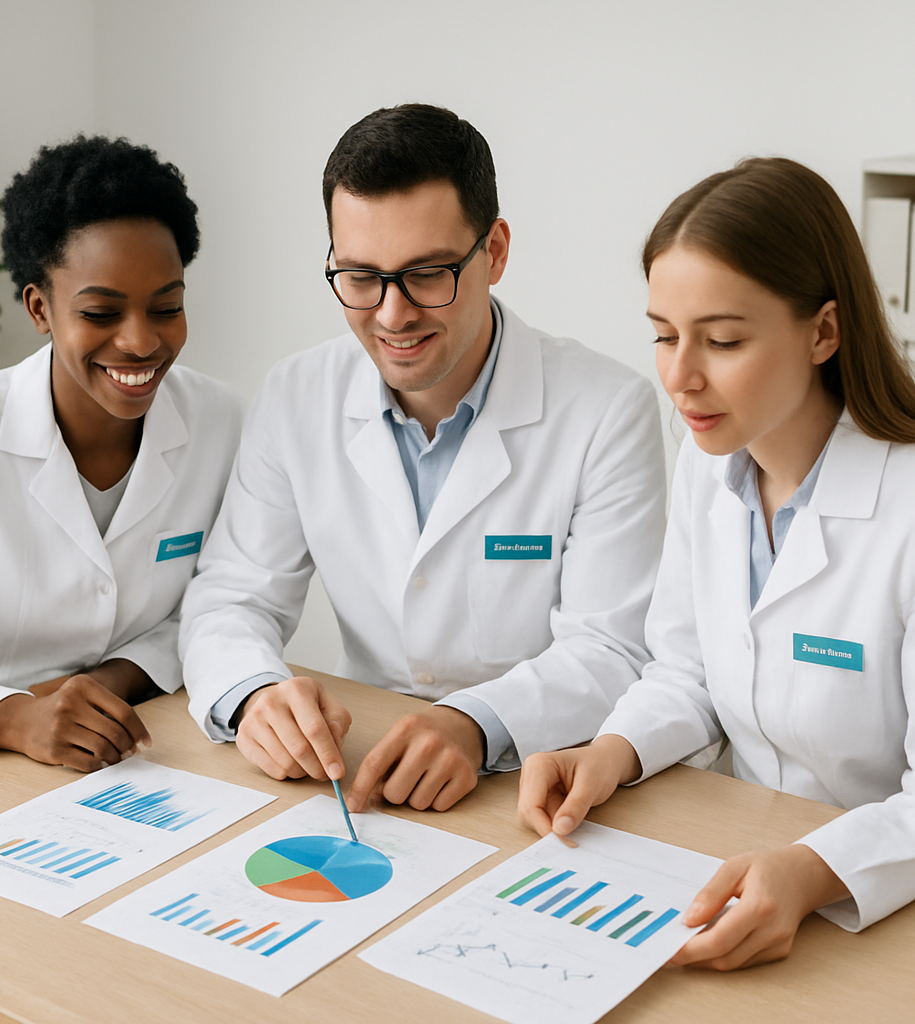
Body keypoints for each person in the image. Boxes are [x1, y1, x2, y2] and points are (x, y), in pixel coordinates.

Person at [180, 103, 666, 812]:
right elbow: (233, 595)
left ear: (494, 252)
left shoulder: (606, 409)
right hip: (361, 759)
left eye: (427, 274)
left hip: (527, 772)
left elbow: (612, 649)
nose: (391, 315)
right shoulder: (297, 394)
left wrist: (474, 723)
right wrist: (254, 695)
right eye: (360, 277)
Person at [518, 156, 915, 968]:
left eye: (723, 340)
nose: (678, 376)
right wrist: (611, 750)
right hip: (743, 854)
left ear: (823, 332)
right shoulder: (711, 462)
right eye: (664, 336)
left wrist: (811, 871)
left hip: (876, 910)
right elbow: (687, 667)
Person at [0, 136, 242, 770]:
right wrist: (13, 717)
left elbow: (219, 604)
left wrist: (118, 678)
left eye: (167, 307)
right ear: (40, 308)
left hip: (142, 737)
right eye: (102, 312)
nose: (141, 342)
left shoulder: (220, 422)